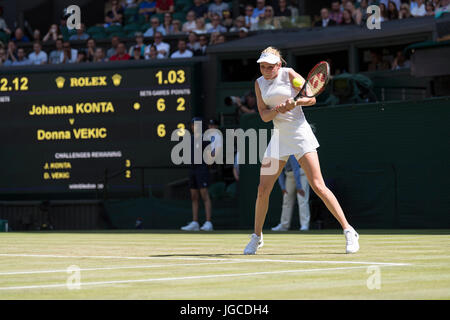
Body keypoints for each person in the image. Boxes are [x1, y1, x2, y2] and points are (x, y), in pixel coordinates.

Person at [243, 47, 359, 255]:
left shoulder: (289, 75)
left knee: (318, 185)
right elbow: (263, 115)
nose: (266, 70)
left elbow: (311, 97)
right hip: (279, 138)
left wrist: (295, 102)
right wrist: (278, 109)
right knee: (263, 190)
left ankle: (349, 231)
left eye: (270, 66)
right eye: (262, 66)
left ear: (279, 65)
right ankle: (257, 237)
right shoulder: (259, 84)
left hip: (300, 133)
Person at [181, 117, 214, 232]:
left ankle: (208, 222)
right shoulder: (189, 139)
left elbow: (211, 156)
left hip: (202, 169)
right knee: (194, 196)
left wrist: (206, 166)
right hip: (192, 170)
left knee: (204, 195)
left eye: (197, 124)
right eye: (193, 125)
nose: (195, 126)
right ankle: (195, 222)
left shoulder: (205, 139)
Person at [271, 155, 310, 231]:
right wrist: (283, 187)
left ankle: (304, 225)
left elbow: (296, 168)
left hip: (300, 173)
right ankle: (284, 225)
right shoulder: (277, 156)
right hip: (289, 175)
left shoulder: (290, 153)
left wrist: (299, 187)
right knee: (287, 200)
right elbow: (279, 171)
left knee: (302, 200)